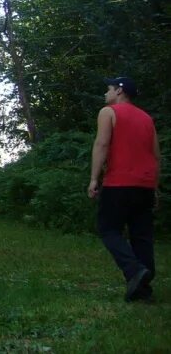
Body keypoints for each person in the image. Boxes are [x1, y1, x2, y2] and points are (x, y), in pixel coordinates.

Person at [88, 76, 160, 302]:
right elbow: (156, 156)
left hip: (119, 183)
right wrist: (155, 188)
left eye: (108, 89)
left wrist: (93, 179)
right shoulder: (147, 118)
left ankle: (134, 270)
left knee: (108, 229)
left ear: (119, 91)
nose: (105, 93)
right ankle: (144, 291)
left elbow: (102, 144)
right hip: (145, 185)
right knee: (142, 236)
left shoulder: (108, 112)